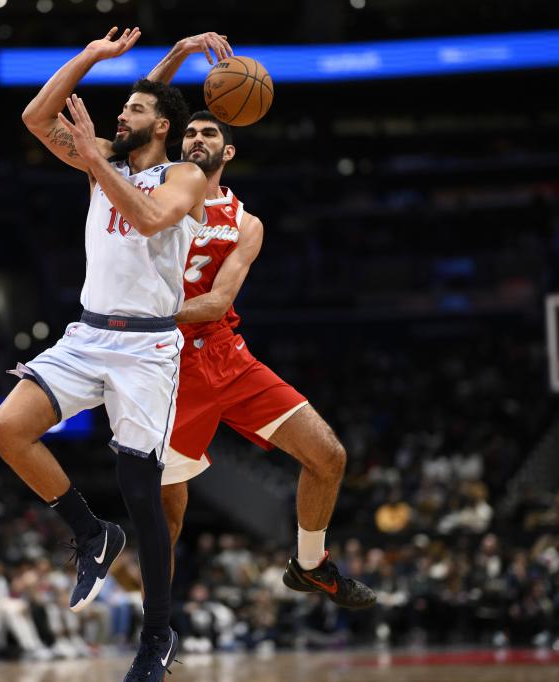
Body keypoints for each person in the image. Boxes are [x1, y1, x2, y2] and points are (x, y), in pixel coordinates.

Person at [0, 26, 207, 680]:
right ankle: (89, 532)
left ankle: (157, 637)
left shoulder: (185, 173)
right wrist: (90, 57)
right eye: (123, 109)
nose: (121, 115)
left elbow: (147, 219)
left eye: (136, 110)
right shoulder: (102, 154)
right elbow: (34, 116)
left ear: (164, 126)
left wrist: (95, 158)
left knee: (142, 491)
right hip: (87, 333)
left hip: (146, 347)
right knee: (7, 429)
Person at [147, 37, 376, 610]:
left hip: (223, 351)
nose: (198, 139)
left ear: (227, 152)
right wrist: (179, 50)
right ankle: (155, 631)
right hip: (166, 365)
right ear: (176, 144)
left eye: (209, 134)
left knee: (329, 456)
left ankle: (309, 564)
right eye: (190, 133)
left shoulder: (246, 223)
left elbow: (218, 302)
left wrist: (145, 309)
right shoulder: (152, 187)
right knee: (167, 515)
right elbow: (143, 102)